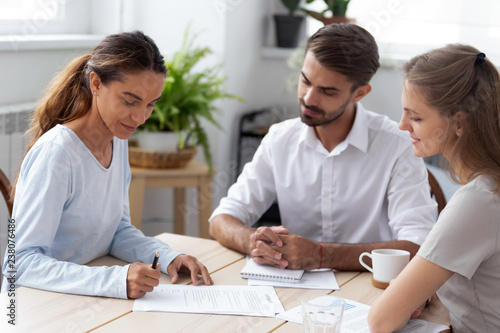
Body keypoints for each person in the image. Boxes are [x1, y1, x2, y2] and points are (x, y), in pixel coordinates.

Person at [1, 31, 213, 299]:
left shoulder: (118, 139)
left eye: (150, 105)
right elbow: (19, 263)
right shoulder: (57, 154)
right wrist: (115, 280)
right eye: (130, 101)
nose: (140, 117)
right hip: (38, 305)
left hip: (83, 295)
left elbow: (117, 230)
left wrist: (167, 257)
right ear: (96, 83)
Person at [209, 24, 437, 271]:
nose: (308, 99)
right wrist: (256, 243)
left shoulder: (396, 145)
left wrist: (321, 256)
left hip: (370, 290)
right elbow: (221, 220)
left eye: (327, 91)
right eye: (305, 81)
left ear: (359, 93)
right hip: (294, 293)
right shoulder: (280, 139)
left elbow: (418, 247)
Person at [367, 44, 500, 332]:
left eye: (415, 117)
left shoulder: (478, 200)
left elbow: (380, 320)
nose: (402, 125)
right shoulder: (488, 185)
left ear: (459, 123)